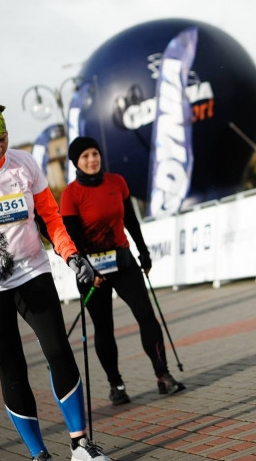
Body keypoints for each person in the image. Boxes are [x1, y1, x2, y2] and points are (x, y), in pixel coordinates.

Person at [0, 101, 111, 461]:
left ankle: (80, 445)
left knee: (58, 350)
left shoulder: (24, 163)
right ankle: (38, 453)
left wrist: (72, 255)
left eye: (3, 137)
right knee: (12, 368)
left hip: (31, 271)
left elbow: (50, 217)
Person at [60, 136, 184, 406]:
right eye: (85, 156)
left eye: (95, 154)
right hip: (91, 270)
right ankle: (116, 384)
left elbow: (131, 220)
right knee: (104, 328)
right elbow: (71, 238)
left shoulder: (116, 182)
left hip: (123, 261)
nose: (92, 159)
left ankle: (163, 376)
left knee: (147, 316)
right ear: (76, 163)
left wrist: (144, 251)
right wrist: (89, 269)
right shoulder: (71, 194)